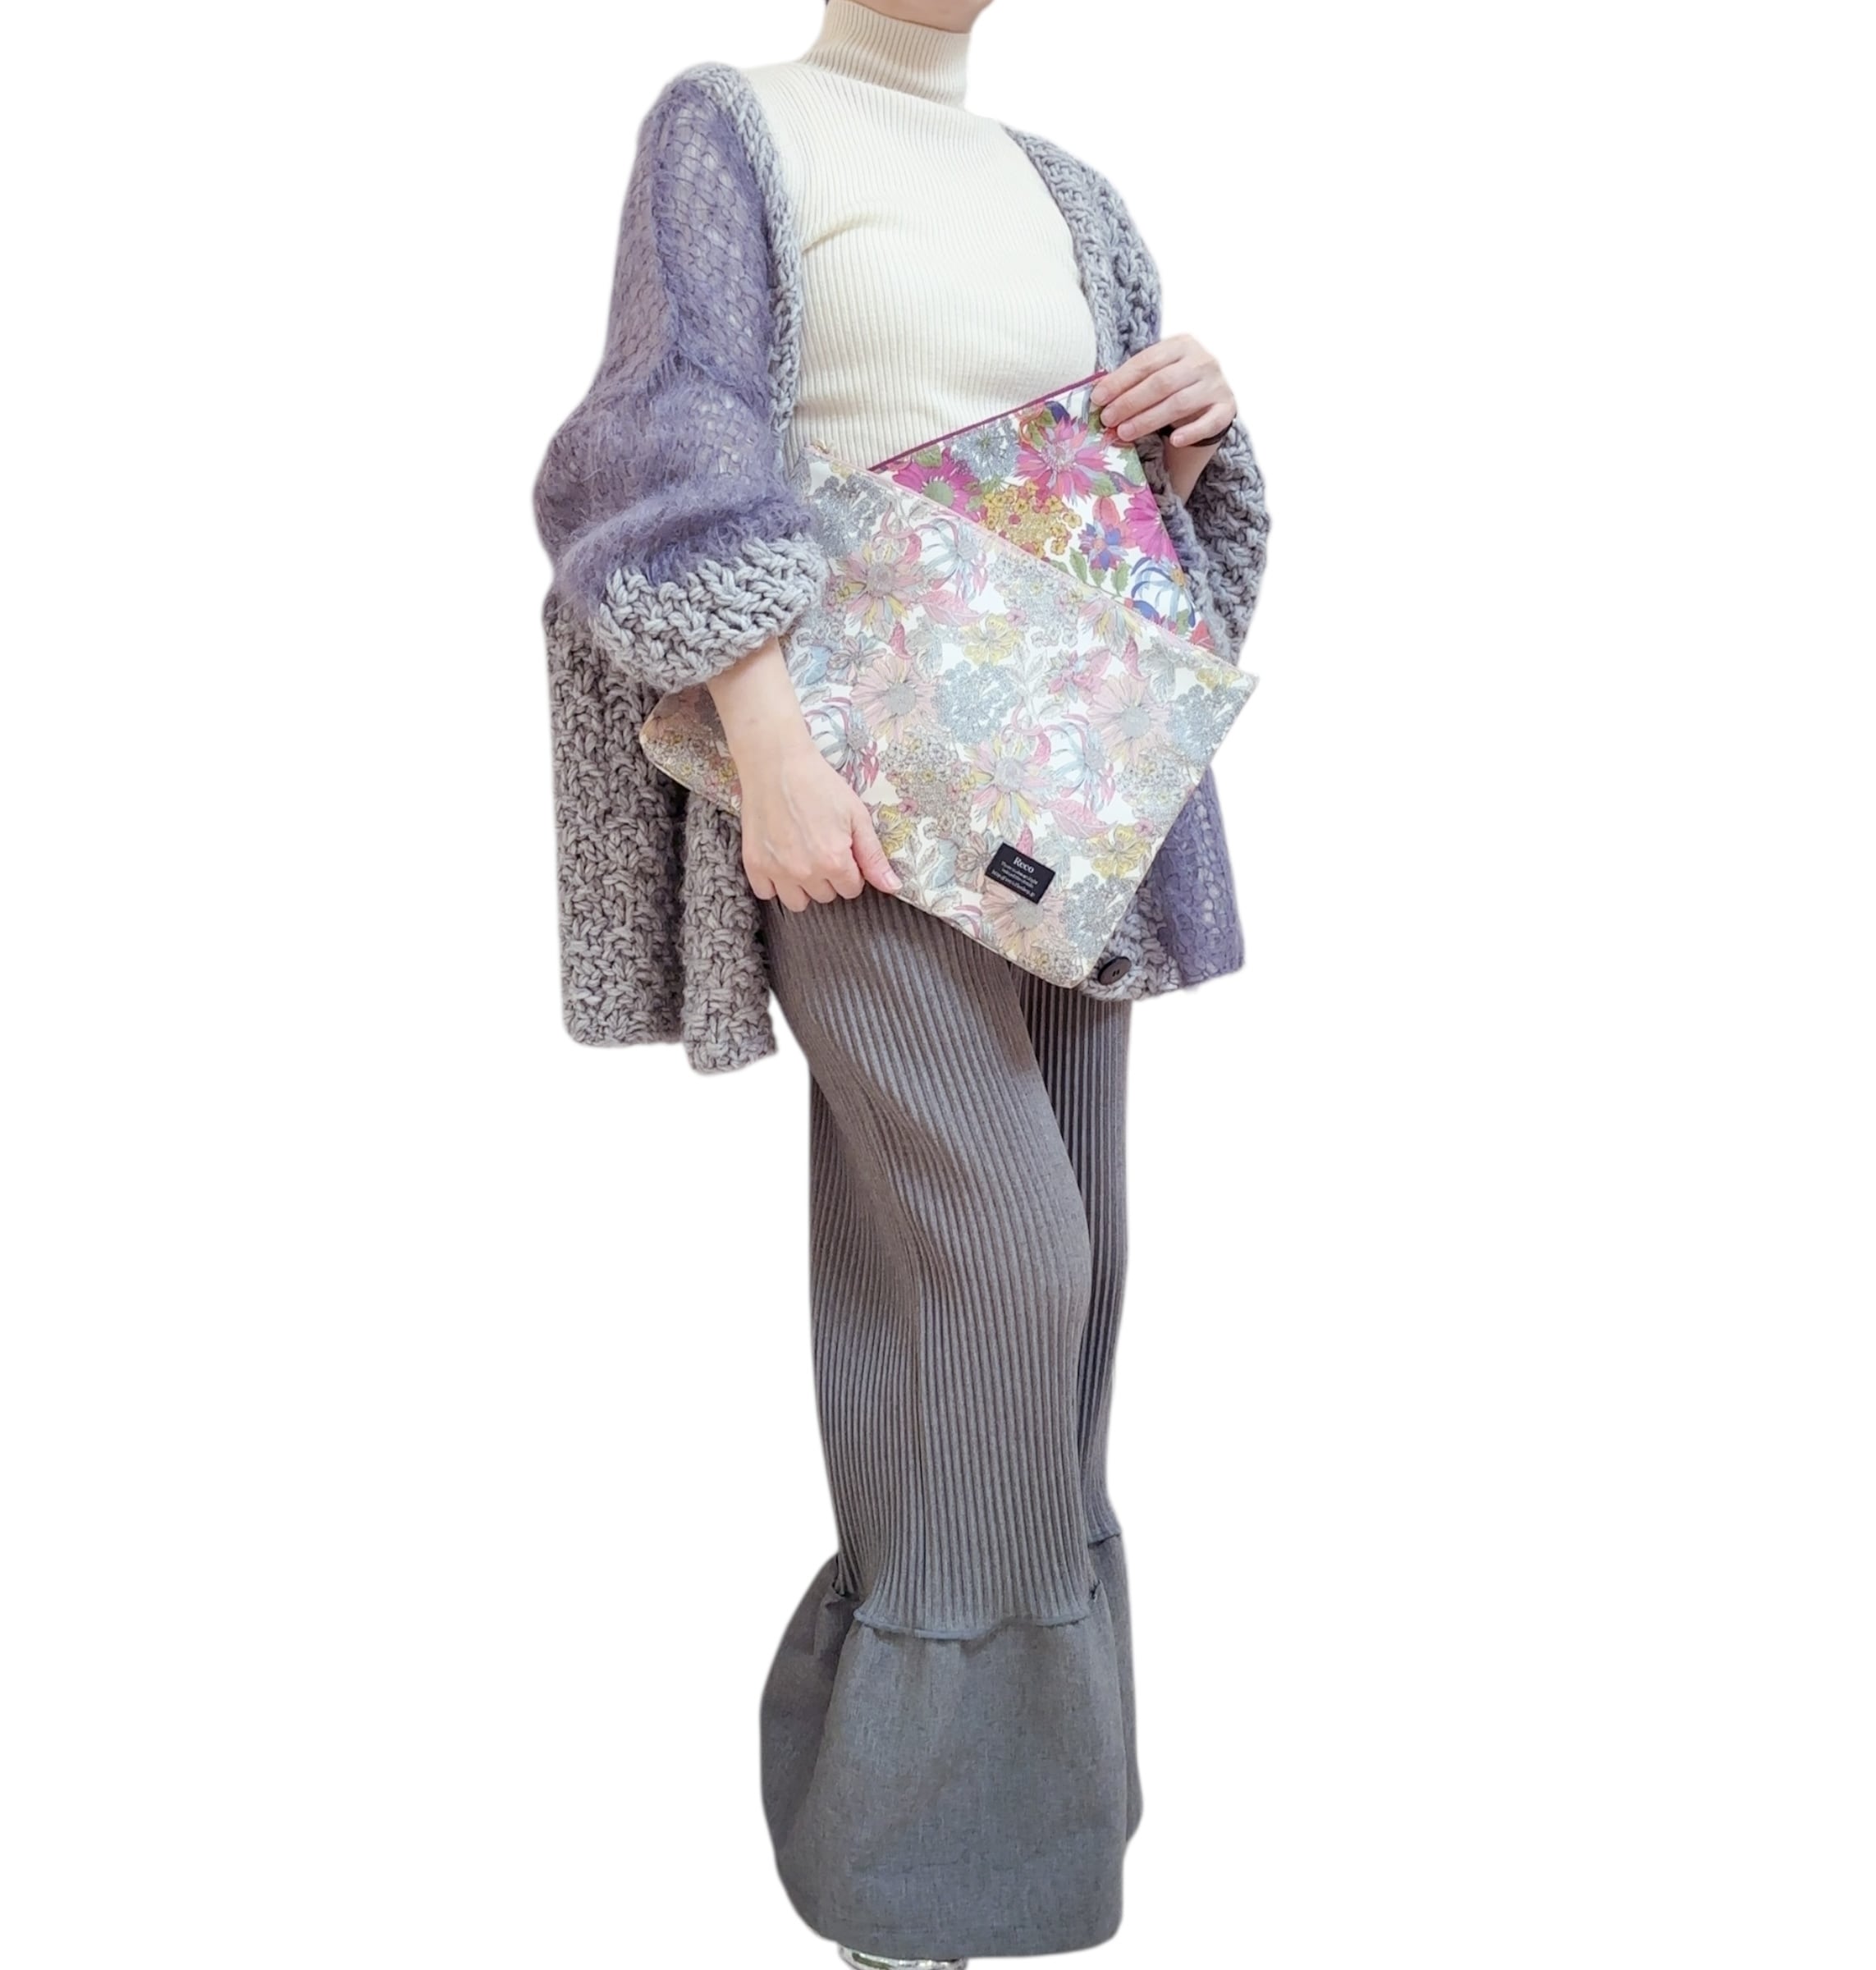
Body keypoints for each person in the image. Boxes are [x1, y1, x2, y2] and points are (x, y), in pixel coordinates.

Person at [530, 3, 1272, 1963]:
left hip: (1063, 808)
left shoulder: (1067, 192)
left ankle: (1006, 1854)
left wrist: (1192, 432)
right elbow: (660, 445)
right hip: (853, 806)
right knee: (997, 1266)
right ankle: (913, 1888)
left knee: (1073, 1288)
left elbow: (1134, 540)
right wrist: (765, 743)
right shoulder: (735, 129)